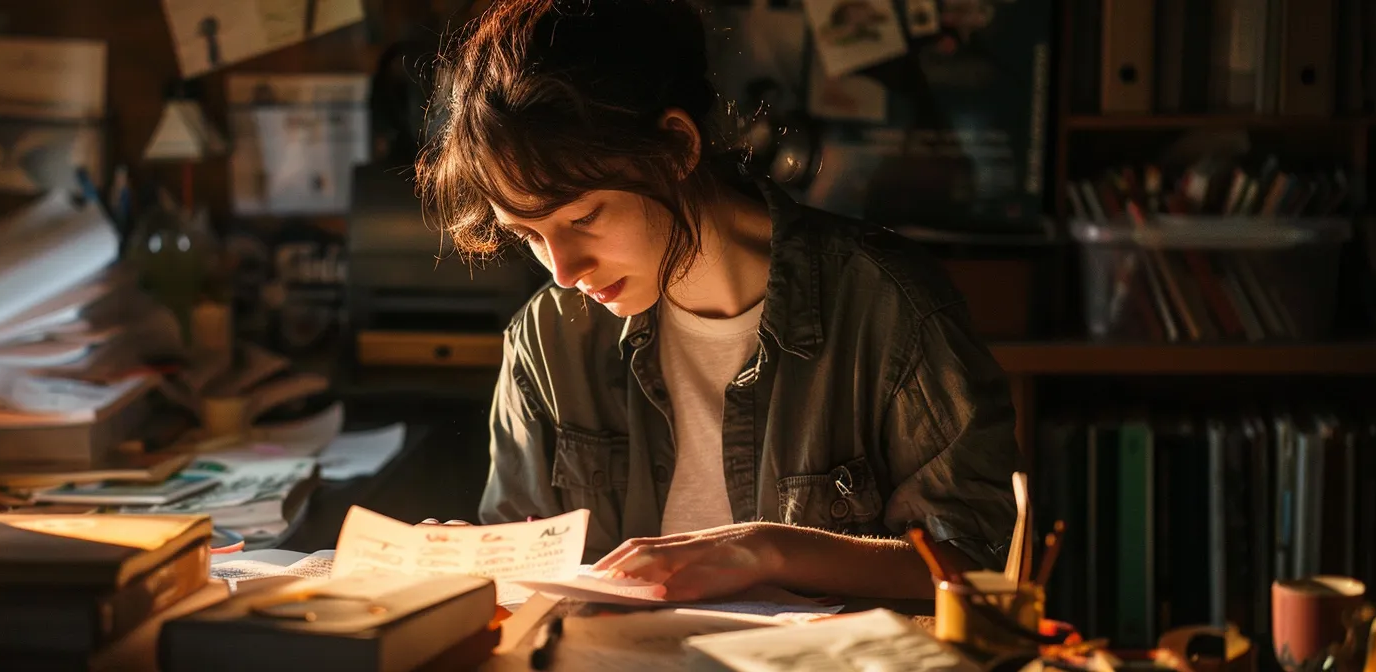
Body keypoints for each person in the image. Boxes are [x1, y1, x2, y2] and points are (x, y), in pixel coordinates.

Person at [414, 0, 1021, 603]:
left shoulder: (889, 308)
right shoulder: (548, 341)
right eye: (530, 237)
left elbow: (979, 573)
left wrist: (766, 551)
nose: (564, 271)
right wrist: (474, 563)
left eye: (584, 216)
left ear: (677, 146)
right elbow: (527, 583)